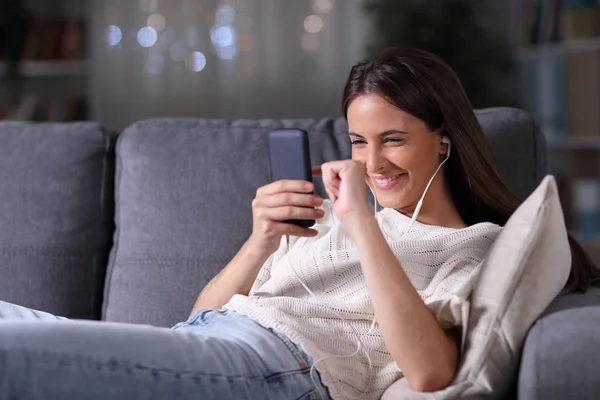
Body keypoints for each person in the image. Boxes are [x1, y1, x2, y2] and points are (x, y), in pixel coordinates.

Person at [0, 47, 598, 400]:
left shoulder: (471, 243)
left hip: (283, 369)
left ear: (443, 139)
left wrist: (363, 224)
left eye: (394, 140)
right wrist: (261, 240)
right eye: (360, 142)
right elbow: (201, 314)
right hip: (212, 341)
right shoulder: (329, 219)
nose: (372, 162)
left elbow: (431, 370)